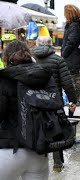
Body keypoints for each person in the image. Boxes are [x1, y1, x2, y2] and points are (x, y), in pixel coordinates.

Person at [0, 40, 51, 180]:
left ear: (6, 57)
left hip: (8, 150)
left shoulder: (3, 80)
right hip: (38, 151)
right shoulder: (43, 78)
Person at [32, 36, 77, 172]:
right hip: (54, 102)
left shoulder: (30, 59)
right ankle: (57, 165)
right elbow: (67, 83)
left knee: (36, 131)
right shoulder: (58, 60)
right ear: (51, 45)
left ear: (37, 44)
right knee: (57, 131)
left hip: (34, 101)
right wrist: (73, 101)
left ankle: (37, 165)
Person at [61, 4, 80, 106]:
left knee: (73, 79)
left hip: (72, 58)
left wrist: (63, 54)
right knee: (73, 79)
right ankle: (75, 101)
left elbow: (71, 42)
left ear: (69, 14)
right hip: (73, 58)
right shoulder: (73, 26)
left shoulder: (74, 26)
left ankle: (75, 102)